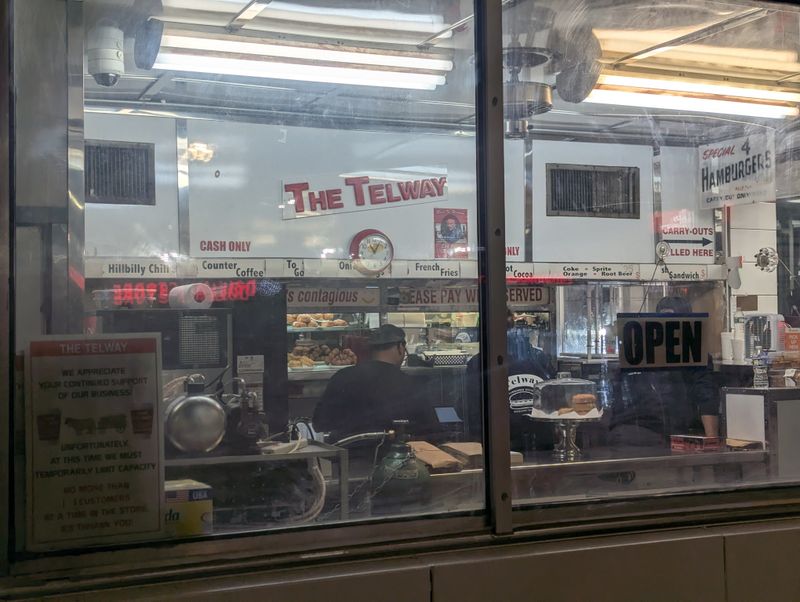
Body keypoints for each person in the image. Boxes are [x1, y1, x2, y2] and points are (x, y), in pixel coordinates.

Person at [609, 295, 719, 449]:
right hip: (634, 431)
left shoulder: (693, 354)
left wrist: (711, 439)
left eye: (673, 320)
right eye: (663, 320)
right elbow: (619, 390)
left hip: (675, 434)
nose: (668, 326)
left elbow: (706, 394)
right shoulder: (641, 353)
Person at [313, 324, 440, 444]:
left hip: (347, 458)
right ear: (400, 348)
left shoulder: (342, 376)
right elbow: (432, 429)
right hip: (396, 460)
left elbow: (319, 424)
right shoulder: (412, 385)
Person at [465, 310, 554, 452]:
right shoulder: (538, 358)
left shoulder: (479, 363)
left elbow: (473, 415)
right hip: (525, 445)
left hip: (513, 445)